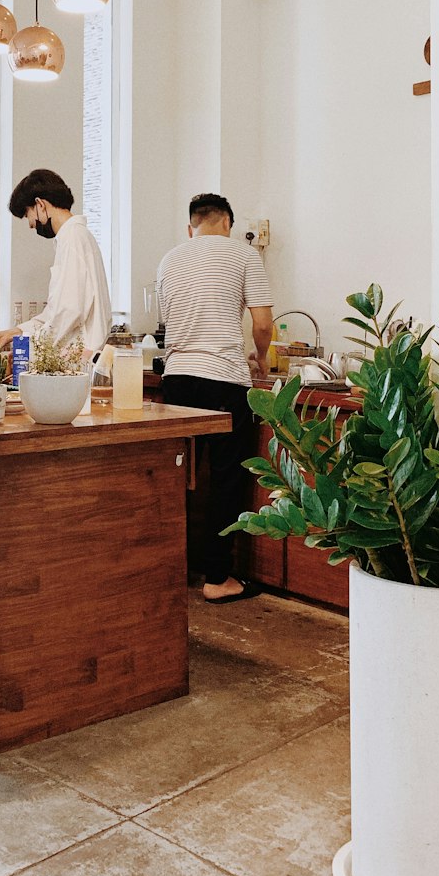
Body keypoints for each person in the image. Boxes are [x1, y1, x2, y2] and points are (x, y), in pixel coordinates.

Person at [156, 192, 274, 604]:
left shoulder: (170, 259)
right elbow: (262, 323)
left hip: (175, 381)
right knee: (226, 480)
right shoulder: (243, 255)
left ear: (191, 227)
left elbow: (171, 321)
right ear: (227, 223)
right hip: (223, 381)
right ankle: (218, 578)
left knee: (178, 478)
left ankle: (169, 570)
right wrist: (260, 359)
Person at [0, 168, 111, 354]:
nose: (31, 224)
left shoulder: (73, 238)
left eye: (27, 214)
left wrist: (29, 346)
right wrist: (16, 332)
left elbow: (69, 311)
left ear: (40, 204)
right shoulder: (74, 237)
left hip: (77, 361)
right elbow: (54, 312)